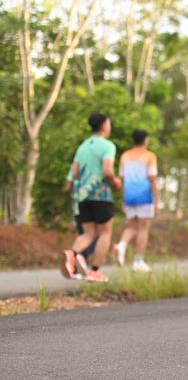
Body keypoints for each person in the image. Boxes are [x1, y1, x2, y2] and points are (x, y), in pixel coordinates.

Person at [61, 113, 121, 282]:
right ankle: (94, 270)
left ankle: (72, 254)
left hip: (82, 196)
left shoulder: (82, 147)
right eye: (109, 124)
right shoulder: (107, 146)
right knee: (105, 233)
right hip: (100, 194)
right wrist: (115, 182)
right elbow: (108, 171)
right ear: (104, 126)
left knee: (88, 234)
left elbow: (73, 174)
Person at [112, 129, 159, 273]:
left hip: (129, 196)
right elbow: (152, 178)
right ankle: (138, 261)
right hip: (144, 196)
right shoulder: (150, 156)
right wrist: (156, 200)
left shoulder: (125, 156)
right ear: (145, 140)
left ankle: (122, 245)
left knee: (132, 226)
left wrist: (124, 199)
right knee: (143, 228)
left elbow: (122, 179)